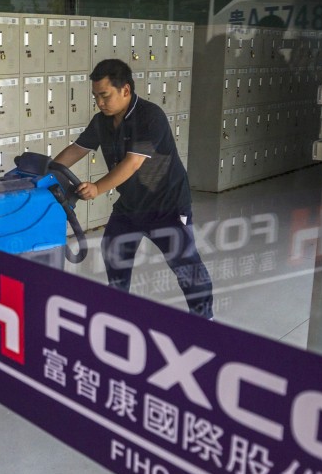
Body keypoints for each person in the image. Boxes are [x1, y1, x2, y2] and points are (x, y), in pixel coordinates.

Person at [52, 58, 214, 319]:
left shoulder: (150, 117)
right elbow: (77, 150)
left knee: (185, 264)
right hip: (132, 204)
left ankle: (204, 318)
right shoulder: (102, 121)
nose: (99, 102)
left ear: (125, 90)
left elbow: (133, 163)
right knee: (114, 250)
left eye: (105, 95)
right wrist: (47, 172)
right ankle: (119, 308)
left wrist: (97, 188)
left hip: (167, 205)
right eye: (96, 96)